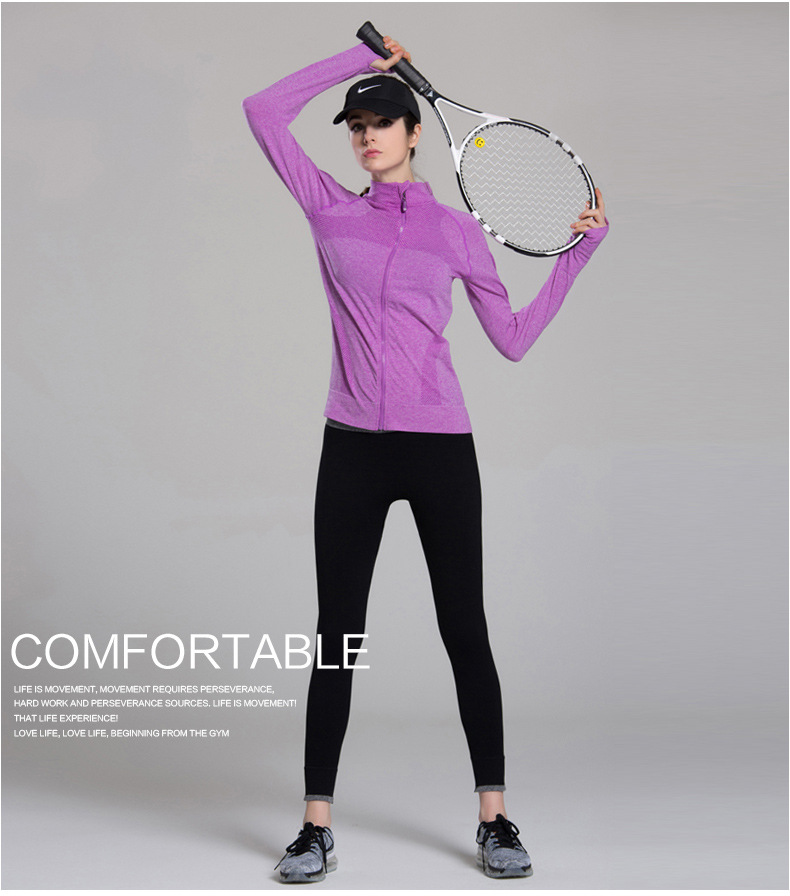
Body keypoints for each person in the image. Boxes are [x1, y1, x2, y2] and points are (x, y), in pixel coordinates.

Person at [242, 34, 608, 884]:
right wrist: (356, 61)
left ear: (413, 134)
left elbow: (510, 339)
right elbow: (261, 112)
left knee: (463, 629)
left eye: (380, 123)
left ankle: (495, 816)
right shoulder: (327, 208)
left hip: (440, 449)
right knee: (337, 636)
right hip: (351, 449)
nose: (366, 137)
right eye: (356, 126)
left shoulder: (456, 233)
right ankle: (314, 828)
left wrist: (577, 255)